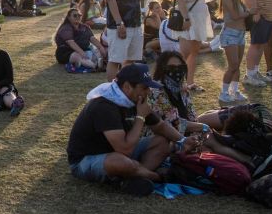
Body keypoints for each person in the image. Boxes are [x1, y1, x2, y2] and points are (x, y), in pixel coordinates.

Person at [65, 64, 191, 196]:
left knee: (163, 141)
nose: (148, 92)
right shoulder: (105, 106)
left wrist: (183, 140)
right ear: (127, 87)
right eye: (144, 87)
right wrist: (140, 117)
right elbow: (125, 149)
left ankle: (132, 177)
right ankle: (156, 177)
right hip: (85, 161)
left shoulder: (132, 99)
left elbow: (160, 126)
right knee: (122, 162)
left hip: (118, 153)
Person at [147, 52, 272, 177]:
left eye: (180, 67)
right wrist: (201, 127)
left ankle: (252, 163)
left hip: (183, 134)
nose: (176, 71)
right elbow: (174, 123)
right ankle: (251, 163)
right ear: (162, 68)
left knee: (210, 142)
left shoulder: (182, 90)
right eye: (171, 67)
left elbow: (191, 116)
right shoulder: (157, 92)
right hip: (164, 139)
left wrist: (199, 129)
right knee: (210, 142)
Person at [165, 0, 213, 91]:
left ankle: (190, 82)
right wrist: (186, 18)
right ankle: (172, 79)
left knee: (194, 51)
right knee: (184, 51)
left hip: (200, 16)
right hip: (188, 16)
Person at [218, 0, 250, 102]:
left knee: (237, 65)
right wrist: (250, 12)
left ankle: (235, 91)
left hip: (240, 34)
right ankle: (224, 92)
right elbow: (236, 16)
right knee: (233, 65)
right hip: (230, 34)